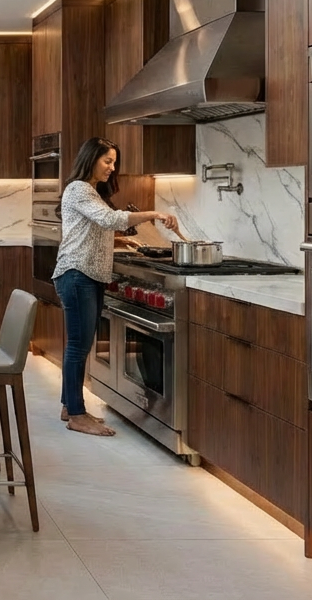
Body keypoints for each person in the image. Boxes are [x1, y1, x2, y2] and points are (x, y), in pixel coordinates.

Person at [54, 137, 178, 437]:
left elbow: (98, 226)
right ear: (91, 159)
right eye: (107, 161)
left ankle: (70, 407)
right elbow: (110, 219)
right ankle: (77, 415)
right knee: (78, 346)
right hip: (77, 274)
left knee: (80, 345)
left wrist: (121, 237)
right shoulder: (79, 188)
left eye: (114, 162)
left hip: (89, 275)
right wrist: (154, 213)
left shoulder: (91, 191)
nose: (112, 167)